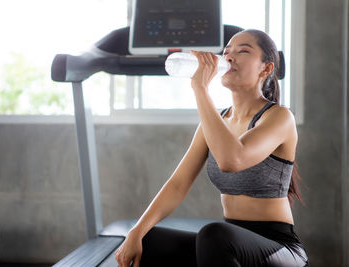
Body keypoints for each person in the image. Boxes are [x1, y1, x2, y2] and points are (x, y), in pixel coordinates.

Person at [114, 29, 309, 267]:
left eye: (242, 51)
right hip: (231, 244)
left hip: (279, 248)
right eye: (226, 52)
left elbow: (232, 160)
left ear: (266, 69)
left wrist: (200, 89)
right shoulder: (216, 122)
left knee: (214, 235)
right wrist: (136, 231)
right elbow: (177, 184)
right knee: (148, 241)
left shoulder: (279, 117)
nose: (229, 57)